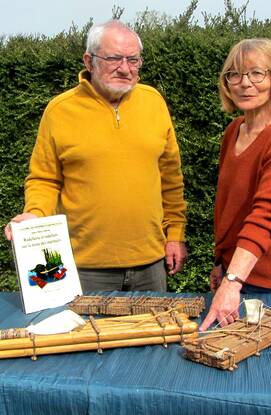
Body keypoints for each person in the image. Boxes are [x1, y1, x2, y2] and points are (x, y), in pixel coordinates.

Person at [5, 20, 187, 292]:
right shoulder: (60, 111)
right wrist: (35, 213)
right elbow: (44, 179)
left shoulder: (154, 102)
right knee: (83, 336)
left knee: (151, 336)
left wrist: (175, 235)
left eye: (133, 60)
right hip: (84, 268)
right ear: (89, 61)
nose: (124, 68)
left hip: (150, 265)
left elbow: (170, 178)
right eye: (113, 58)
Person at [200, 38, 271, 331]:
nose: (244, 83)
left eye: (256, 73)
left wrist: (231, 282)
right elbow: (228, 206)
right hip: (235, 274)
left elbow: (267, 213)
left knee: (267, 370)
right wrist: (221, 261)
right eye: (234, 74)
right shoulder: (234, 130)